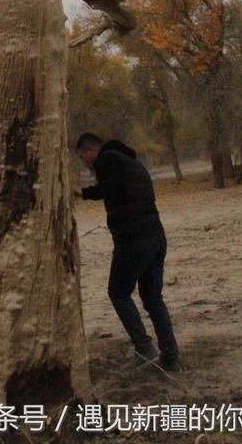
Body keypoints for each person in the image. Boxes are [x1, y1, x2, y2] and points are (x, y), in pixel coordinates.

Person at [75, 132, 180, 372]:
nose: (86, 165)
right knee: (153, 299)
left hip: (133, 239)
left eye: (84, 159)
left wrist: (85, 193)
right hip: (156, 237)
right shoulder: (131, 162)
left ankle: (144, 348)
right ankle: (171, 357)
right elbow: (118, 188)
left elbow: (109, 188)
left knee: (118, 292)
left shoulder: (107, 160)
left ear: (90, 151)